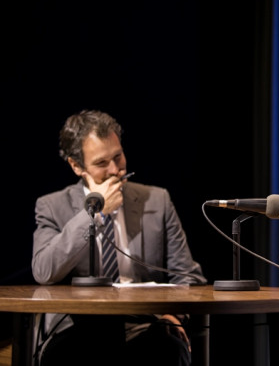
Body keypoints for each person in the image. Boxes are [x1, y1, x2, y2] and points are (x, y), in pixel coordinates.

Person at [32, 109, 207, 366]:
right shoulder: (51, 206)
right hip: (77, 328)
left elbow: (189, 275)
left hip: (144, 325)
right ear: (76, 165)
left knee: (168, 351)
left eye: (118, 156)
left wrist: (175, 315)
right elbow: (44, 271)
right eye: (102, 163)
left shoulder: (157, 200)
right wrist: (94, 212)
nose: (115, 170)